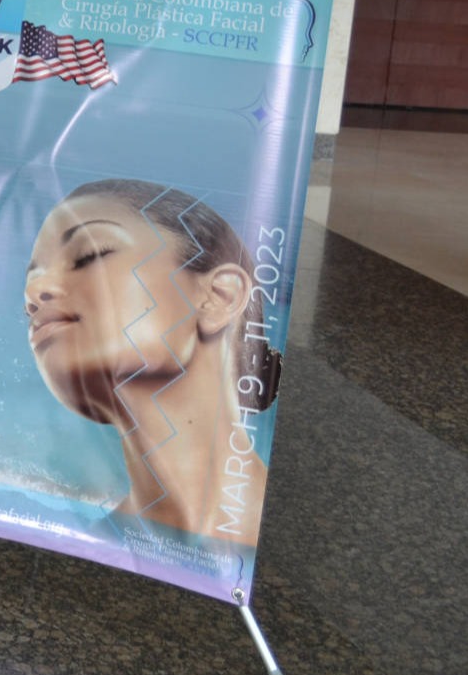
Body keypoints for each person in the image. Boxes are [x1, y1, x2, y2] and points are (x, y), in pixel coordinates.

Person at [24, 178, 282, 543]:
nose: (33, 293)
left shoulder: (305, 536)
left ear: (220, 296)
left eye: (89, 254)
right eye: (31, 280)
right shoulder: (79, 545)